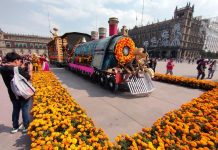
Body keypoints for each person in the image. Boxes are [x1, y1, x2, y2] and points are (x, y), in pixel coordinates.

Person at [0, 52, 32, 133]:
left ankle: (15, 127)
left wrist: (20, 68)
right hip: (22, 93)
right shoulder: (17, 69)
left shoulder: (2, 69)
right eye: (19, 60)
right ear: (15, 60)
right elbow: (29, 77)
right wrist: (30, 70)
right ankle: (26, 126)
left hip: (12, 93)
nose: (19, 62)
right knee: (25, 108)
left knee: (15, 109)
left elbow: (12, 72)